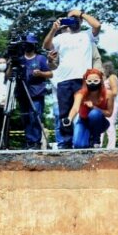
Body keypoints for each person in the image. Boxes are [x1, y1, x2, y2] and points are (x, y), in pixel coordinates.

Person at [44, 9, 102, 149]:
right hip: (64, 80)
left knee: (85, 110)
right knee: (65, 113)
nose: (74, 20)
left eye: (77, 19)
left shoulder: (87, 35)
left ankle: (89, 141)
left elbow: (97, 25)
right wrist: (53, 30)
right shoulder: (61, 38)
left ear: (81, 21)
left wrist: (80, 14)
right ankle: (65, 143)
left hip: (83, 80)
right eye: (71, 18)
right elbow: (46, 46)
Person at [12, 34, 51, 149]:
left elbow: (50, 74)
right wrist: (11, 63)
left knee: (35, 117)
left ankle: (36, 141)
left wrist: (41, 73)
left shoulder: (40, 58)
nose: (27, 46)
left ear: (34, 45)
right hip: (22, 92)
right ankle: (29, 141)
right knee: (26, 118)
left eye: (29, 44)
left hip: (36, 93)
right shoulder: (19, 59)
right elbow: (10, 75)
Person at [66, 69, 113, 148]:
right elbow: (75, 108)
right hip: (83, 121)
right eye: (89, 81)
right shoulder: (80, 93)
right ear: (85, 81)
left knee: (94, 113)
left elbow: (109, 113)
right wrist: (69, 119)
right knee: (79, 145)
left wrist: (94, 107)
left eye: (95, 81)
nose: (92, 83)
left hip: (99, 121)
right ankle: (89, 140)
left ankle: (96, 139)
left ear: (101, 81)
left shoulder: (108, 94)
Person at [101, 60, 118, 148]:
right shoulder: (103, 79)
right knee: (99, 124)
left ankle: (111, 146)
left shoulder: (112, 77)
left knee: (110, 124)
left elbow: (115, 92)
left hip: (111, 103)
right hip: (102, 104)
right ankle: (99, 145)